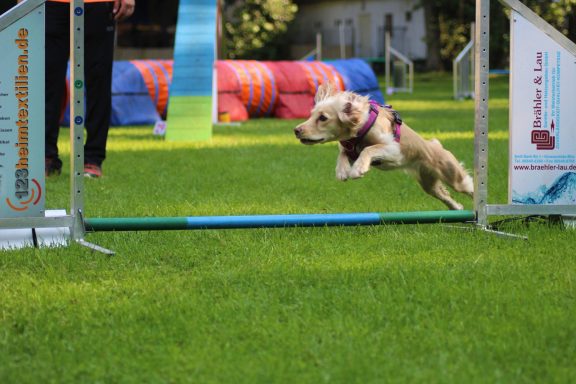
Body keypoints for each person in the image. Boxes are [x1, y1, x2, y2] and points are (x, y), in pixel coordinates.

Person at [36, 0, 135, 177]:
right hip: (51, 4)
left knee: (99, 80)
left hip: (98, 3)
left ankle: (93, 159)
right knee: (46, 81)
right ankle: (45, 155)